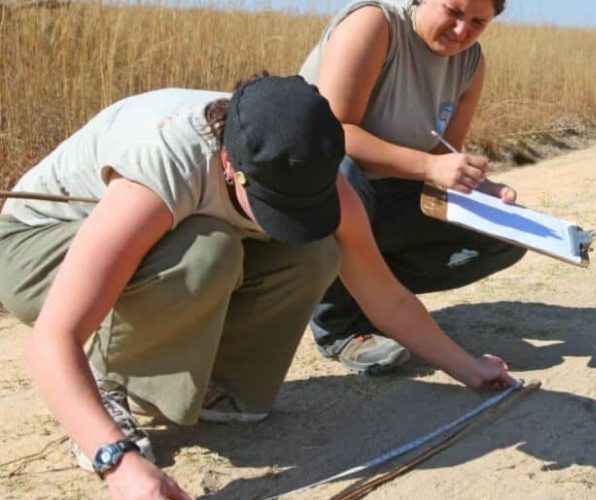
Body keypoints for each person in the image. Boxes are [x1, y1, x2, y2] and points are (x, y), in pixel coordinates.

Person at [0, 74, 514, 499]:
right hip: (33, 248)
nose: (283, 217)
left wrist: (468, 368)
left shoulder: (307, 163)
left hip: (153, 242)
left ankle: (212, 386)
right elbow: (54, 336)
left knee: (315, 248)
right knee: (208, 250)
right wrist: (116, 462)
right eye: (273, 206)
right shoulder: (165, 168)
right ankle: (107, 385)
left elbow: (384, 296)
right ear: (231, 165)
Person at [299, 0, 525, 375]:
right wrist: (430, 166)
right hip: (322, 189)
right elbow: (332, 132)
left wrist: (483, 188)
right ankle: (341, 327)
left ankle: (379, 299)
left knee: (506, 236)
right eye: (453, 12)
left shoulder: (471, 62)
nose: (461, 31)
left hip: (390, 193)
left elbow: (443, 154)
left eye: (477, 22)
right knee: (343, 173)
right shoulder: (373, 24)